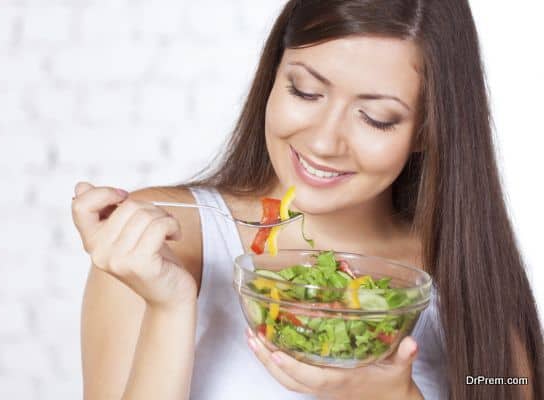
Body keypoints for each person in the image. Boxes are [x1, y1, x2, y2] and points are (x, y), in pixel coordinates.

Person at [71, 1, 542, 399]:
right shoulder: (165, 242)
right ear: (273, 74)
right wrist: (169, 307)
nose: (324, 142)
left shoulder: (468, 280)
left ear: (426, 129)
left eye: (376, 118)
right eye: (306, 90)